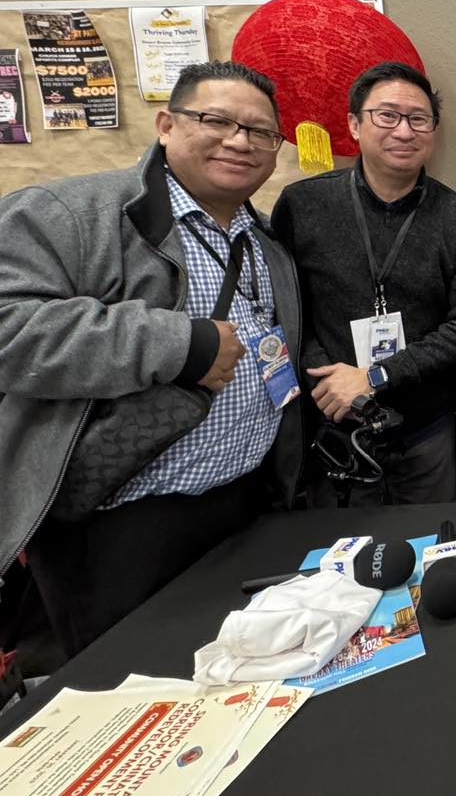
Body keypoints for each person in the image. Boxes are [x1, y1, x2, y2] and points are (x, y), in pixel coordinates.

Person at [0, 61, 306, 657]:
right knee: (129, 687)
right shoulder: (71, 215)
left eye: (261, 132)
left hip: (240, 506)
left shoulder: (266, 241)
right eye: (216, 120)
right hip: (119, 525)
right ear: (166, 124)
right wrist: (178, 345)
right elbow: (10, 330)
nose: (240, 141)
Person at [271, 61, 456, 505]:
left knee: (430, 548)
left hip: (426, 425)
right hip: (332, 420)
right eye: (387, 115)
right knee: (338, 558)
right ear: (355, 124)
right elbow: (286, 308)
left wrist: (376, 375)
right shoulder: (303, 205)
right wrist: (331, 381)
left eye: (419, 119)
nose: (404, 131)